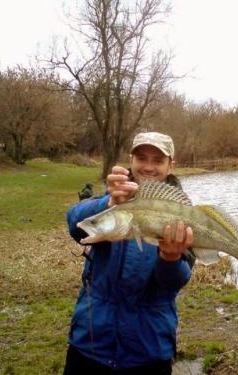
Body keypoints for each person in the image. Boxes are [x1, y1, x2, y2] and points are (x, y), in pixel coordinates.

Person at [64, 132, 194, 374]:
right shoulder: (113, 196)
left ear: (170, 165)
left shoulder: (183, 213)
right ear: (131, 159)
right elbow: (76, 226)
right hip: (91, 344)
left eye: (157, 160)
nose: (148, 167)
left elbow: (175, 282)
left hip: (149, 350)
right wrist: (107, 204)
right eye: (142, 158)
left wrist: (170, 259)